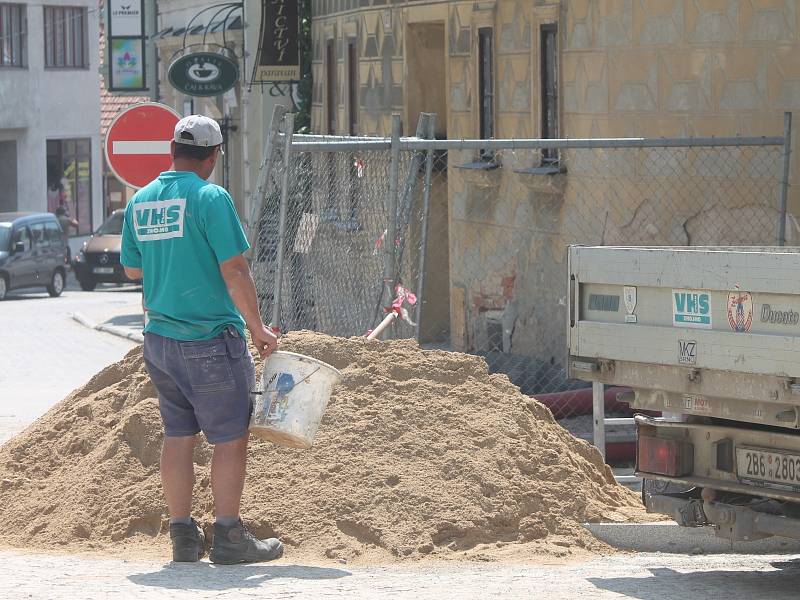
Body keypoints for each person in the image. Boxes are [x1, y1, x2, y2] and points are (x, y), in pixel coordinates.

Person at [120, 115, 281, 564]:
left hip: (159, 340)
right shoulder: (211, 197)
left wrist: (170, 256)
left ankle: (183, 538)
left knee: (179, 434)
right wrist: (258, 328)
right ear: (212, 157)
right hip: (209, 339)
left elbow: (133, 269)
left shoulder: (142, 200)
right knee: (229, 437)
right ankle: (228, 537)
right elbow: (235, 269)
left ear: (172, 151)